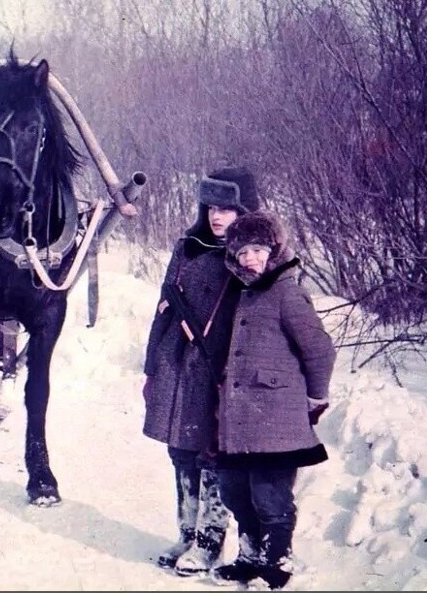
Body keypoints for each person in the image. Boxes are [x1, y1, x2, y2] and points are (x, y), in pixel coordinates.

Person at [142, 167, 261, 576]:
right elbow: (162, 305)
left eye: (227, 208)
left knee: (211, 452)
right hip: (177, 361)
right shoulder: (188, 245)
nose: (216, 216)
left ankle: (210, 543)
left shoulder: (250, 256)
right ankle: (187, 534)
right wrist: (151, 365)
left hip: (217, 365)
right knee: (180, 450)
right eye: (211, 206)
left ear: (244, 209)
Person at [211, 210, 336, 589]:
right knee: (233, 490)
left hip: (275, 420)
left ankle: (276, 563)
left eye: (257, 249)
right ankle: (249, 558)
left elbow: (320, 349)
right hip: (240, 421)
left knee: (270, 497)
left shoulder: (286, 291)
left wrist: (316, 397)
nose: (250, 258)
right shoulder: (246, 292)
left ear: (274, 250)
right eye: (242, 252)